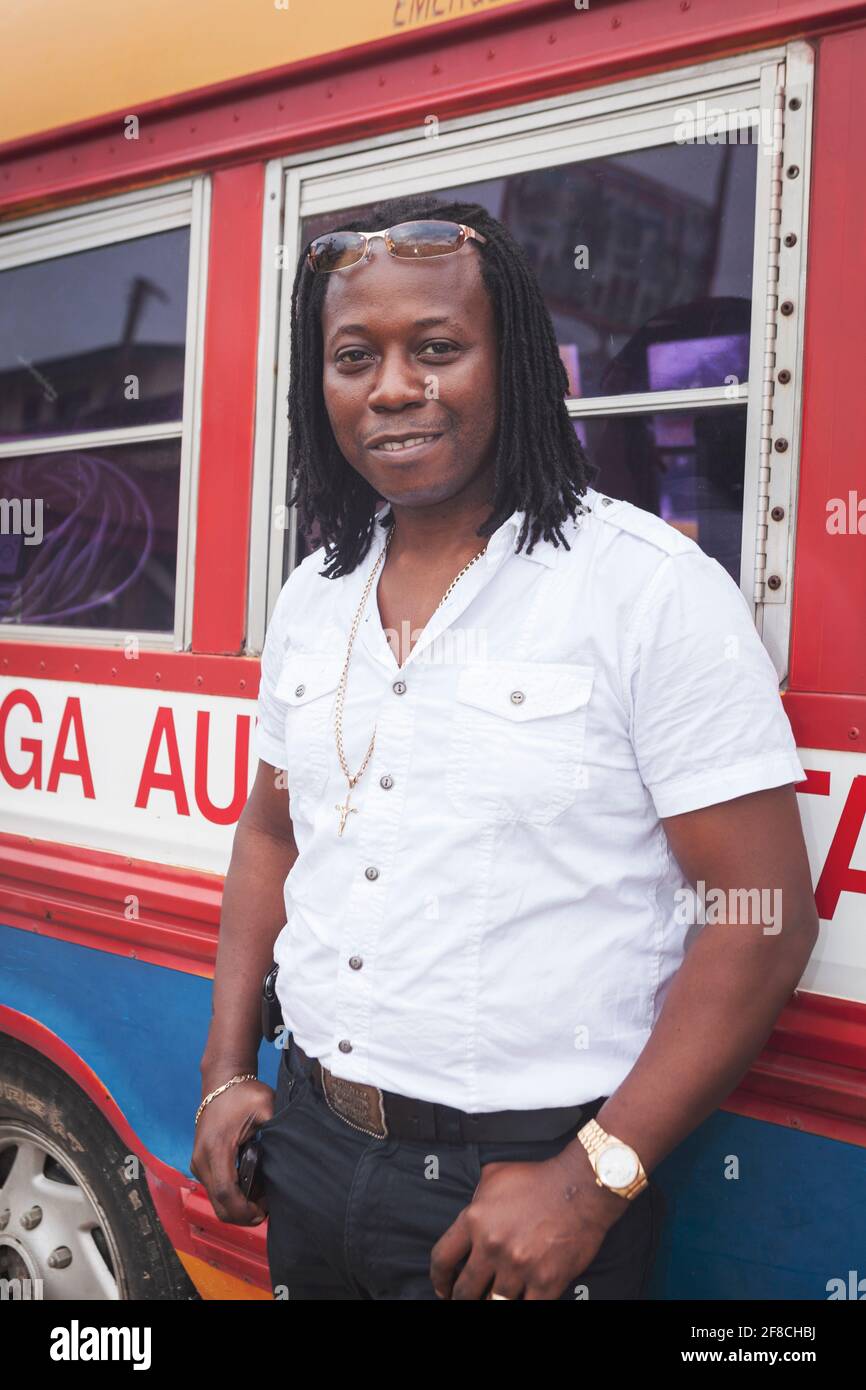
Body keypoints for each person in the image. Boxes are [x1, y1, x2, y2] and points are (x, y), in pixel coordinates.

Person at [190, 195, 819, 1301]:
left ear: (515, 362)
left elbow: (760, 917)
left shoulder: (645, 588)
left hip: (526, 1182)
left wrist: (589, 1182)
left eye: (436, 348)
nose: (392, 386)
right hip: (310, 1146)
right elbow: (269, 832)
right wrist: (226, 1073)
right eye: (353, 355)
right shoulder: (312, 592)